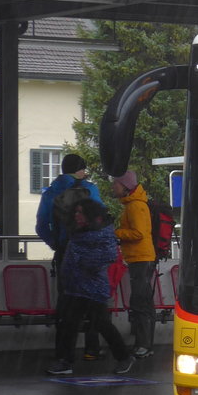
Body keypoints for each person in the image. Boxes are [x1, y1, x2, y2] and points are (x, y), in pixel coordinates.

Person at [45, 198, 134, 376]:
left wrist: (81, 261)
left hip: (92, 288)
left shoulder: (100, 235)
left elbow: (107, 256)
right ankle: (66, 361)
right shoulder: (80, 233)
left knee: (100, 324)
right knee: (70, 324)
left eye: (81, 212)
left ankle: (123, 357)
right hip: (75, 286)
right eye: (76, 212)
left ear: (90, 215)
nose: (77, 216)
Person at [36, 153, 104, 359]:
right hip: (88, 252)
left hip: (65, 251)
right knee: (93, 299)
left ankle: (63, 354)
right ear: (80, 169)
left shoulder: (51, 192)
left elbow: (41, 225)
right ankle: (92, 348)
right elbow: (100, 219)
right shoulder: (90, 189)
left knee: (66, 302)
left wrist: (55, 243)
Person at [110, 170, 155, 359]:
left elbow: (138, 233)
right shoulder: (133, 204)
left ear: (125, 186)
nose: (114, 187)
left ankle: (144, 345)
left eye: (116, 184)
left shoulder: (135, 206)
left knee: (140, 302)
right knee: (142, 301)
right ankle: (144, 344)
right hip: (140, 257)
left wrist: (117, 233)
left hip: (141, 258)